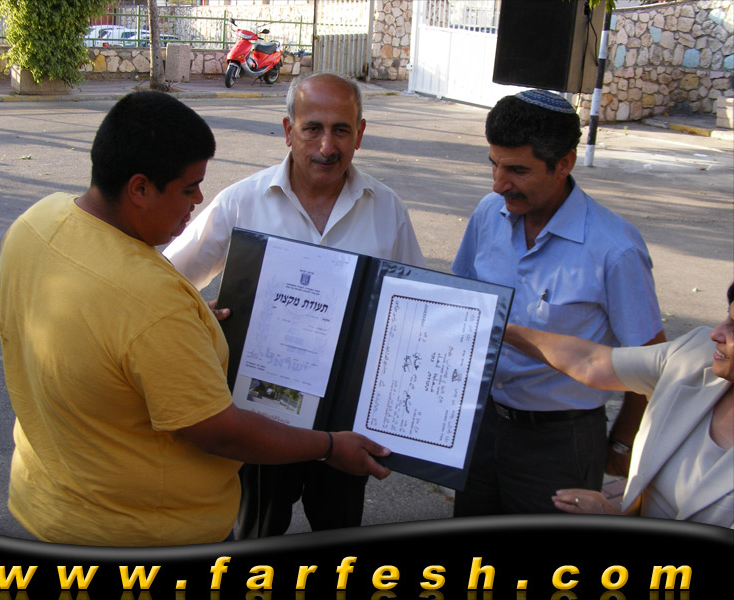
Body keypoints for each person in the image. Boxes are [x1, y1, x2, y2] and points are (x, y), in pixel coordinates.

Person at [0, 91, 391, 547]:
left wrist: (190, 321)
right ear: (140, 188)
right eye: (189, 189)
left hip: (47, 502)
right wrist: (330, 446)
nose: (200, 199)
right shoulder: (151, 301)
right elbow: (220, 432)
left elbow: (107, 328)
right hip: (143, 533)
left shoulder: (35, 221)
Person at [164, 72, 426, 539]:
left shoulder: (386, 210)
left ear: (360, 133)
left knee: (340, 535)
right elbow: (164, 279)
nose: (327, 146)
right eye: (312, 129)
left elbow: (416, 310)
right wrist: (197, 316)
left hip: (346, 419)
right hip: (262, 416)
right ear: (289, 130)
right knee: (256, 535)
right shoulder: (244, 201)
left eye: (341, 130)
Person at [451, 89, 666, 516]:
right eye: (494, 165)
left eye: (517, 170)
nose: (498, 184)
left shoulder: (614, 249)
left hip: (561, 444)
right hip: (481, 425)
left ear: (564, 163)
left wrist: (623, 445)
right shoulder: (488, 214)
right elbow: (461, 304)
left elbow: (650, 365)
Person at [503, 282, 734, 528]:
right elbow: (592, 361)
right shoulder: (697, 353)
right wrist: (500, 329)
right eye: (727, 318)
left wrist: (612, 518)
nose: (717, 333)